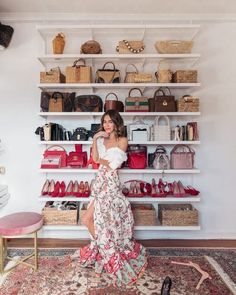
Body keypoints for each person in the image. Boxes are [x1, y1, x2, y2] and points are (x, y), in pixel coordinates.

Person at [77, 109, 148, 287]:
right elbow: (95, 159)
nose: (107, 125)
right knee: (98, 221)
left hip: (110, 182)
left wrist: (101, 160)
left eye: (110, 121)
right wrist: (94, 139)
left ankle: (107, 252)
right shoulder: (101, 139)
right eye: (104, 122)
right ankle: (105, 249)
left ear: (117, 123)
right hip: (100, 180)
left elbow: (114, 164)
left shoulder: (122, 140)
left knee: (93, 219)